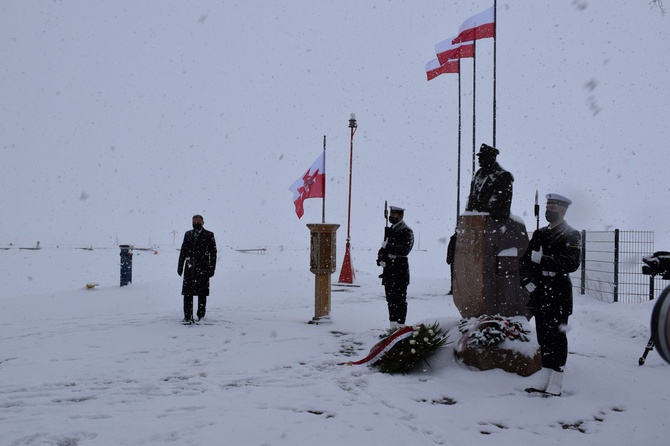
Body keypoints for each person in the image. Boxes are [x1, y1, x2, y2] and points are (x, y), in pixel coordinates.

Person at [519, 194, 581, 396]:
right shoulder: (539, 234)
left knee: (557, 338)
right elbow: (525, 261)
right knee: (543, 337)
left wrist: (545, 259)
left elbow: (572, 263)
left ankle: (557, 380)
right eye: (547, 207)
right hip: (540, 292)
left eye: (553, 207)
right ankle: (544, 379)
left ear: (563, 210)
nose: (549, 211)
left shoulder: (572, 235)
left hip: (559, 292)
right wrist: (526, 281)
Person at [377, 206, 414, 330]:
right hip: (389, 270)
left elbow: (404, 250)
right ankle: (392, 326)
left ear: (401, 215)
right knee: (390, 299)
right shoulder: (390, 230)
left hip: (399, 270)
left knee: (400, 299)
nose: (392, 217)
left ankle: (400, 326)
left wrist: (388, 246)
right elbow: (383, 248)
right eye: (391, 214)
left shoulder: (406, 231)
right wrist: (381, 258)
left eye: (395, 214)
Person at [178, 214, 217, 324]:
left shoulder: (209, 235)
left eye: (198, 222)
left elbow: (213, 253)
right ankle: (187, 316)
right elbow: (183, 251)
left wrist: (212, 268)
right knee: (187, 293)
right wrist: (180, 267)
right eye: (194, 222)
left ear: (203, 222)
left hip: (203, 268)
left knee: (202, 293)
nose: (196, 224)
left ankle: (201, 316)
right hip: (189, 268)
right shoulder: (188, 234)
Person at [465, 143, 514, 219]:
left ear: (492, 158)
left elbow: (498, 204)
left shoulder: (503, 176)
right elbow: (471, 199)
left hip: (493, 222)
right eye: (479, 156)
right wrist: (468, 216)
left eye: (483, 156)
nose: (479, 159)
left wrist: (483, 214)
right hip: (477, 221)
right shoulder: (478, 174)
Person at [446, 230, 457, 295]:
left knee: (453, 275)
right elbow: (450, 249)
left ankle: (453, 289)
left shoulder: (454, 238)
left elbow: (450, 249)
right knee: (454, 275)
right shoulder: (455, 238)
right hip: (455, 260)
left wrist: (449, 259)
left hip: (454, 260)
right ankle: (454, 289)